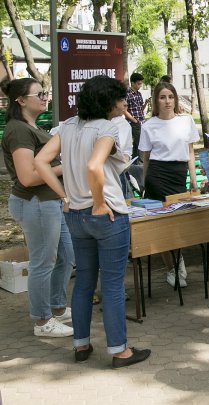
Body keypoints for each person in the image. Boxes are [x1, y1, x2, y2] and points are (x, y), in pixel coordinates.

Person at [35, 75, 151, 368]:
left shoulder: (67, 126)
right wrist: (99, 202)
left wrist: (64, 195)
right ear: (107, 101)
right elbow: (93, 165)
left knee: (85, 280)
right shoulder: (106, 128)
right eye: (119, 98)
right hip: (106, 215)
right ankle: (119, 351)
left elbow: (40, 162)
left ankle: (81, 344)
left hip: (75, 214)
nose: (123, 103)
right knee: (112, 284)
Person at [1, 78, 74, 338]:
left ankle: (55, 307)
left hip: (49, 201)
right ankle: (42, 321)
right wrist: (65, 166)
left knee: (66, 256)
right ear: (21, 100)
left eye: (46, 92)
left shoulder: (32, 126)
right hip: (37, 203)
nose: (45, 97)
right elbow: (28, 178)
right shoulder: (18, 130)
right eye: (40, 93)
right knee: (44, 262)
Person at [139, 82, 199, 288]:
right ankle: (171, 268)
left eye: (170, 97)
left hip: (178, 174)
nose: (167, 101)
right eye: (162, 97)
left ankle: (179, 259)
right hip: (157, 175)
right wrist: (145, 183)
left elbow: (190, 152)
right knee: (162, 224)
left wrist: (193, 179)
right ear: (156, 100)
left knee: (178, 222)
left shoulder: (186, 121)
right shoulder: (148, 125)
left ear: (176, 99)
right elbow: (146, 158)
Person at [124, 72, 147, 160]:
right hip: (134, 122)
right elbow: (124, 110)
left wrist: (146, 103)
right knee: (141, 143)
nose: (140, 85)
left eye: (141, 83)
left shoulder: (139, 94)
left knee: (137, 144)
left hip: (141, 121)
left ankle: (134, 161)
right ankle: (142, 162)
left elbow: (140, 108)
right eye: (138, 83)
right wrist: (133, 120)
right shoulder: (127, 94)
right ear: (132, 83)